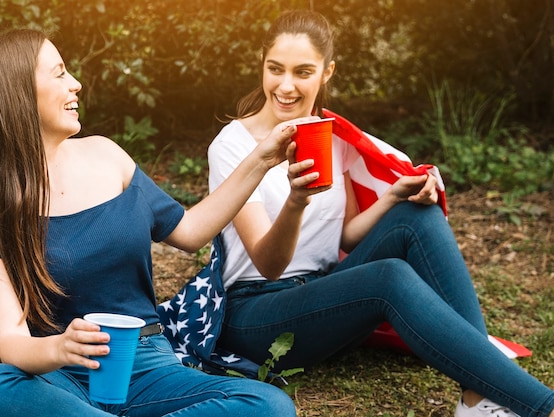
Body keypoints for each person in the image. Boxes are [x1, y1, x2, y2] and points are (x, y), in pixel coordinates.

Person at [207, 10, 554, 417]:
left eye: (303, 72)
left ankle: (476, 396)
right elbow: (267, 265)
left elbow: (345, 239)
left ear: (327, 72)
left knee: (417, 215)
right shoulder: (231, 146)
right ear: (261, 65)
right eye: (275, 69)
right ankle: (542, 407)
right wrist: (296, 201)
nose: (285, 86)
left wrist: (392, 197)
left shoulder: (331, 138)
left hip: (322, 296)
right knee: (387, 278)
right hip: (257, 316)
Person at [0, 29, 303, 417]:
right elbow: (11, 341)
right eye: (59, 73)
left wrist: (262, 158)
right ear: (15, 93)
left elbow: (190, 231)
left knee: (268, 404)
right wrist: (58, 347)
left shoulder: (107, 156)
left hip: (146, 364)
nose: (76, 84)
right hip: (55, 380)